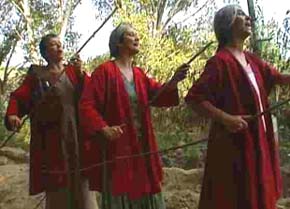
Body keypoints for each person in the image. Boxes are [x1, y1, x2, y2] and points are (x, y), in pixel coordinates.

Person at [185, 5, 290, 209]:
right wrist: (226, 118)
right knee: (237, 197)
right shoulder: (219, 62)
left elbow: (280, 78)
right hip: (234, 145)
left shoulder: (252, 59)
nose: (248, 17)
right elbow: (194, 98)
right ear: (228, 24)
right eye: (241, 15)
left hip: (257, 140)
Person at [79, 23, 189, 209]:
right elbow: (86, 105)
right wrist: (104, 129)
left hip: (142, 149)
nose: (137, 38)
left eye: (137, 35)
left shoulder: (139, 74)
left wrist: (173, 81)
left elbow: (157, 94)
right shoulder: (104, 72)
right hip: (118, 151)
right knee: (121, 193)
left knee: (147, 190)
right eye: (131, 35)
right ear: (118, 43)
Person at [5, 33, 98, 209]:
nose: (60, 47)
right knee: (58, 195)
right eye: (54, 45)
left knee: (85, 196)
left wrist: (81, 74)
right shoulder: (37, 75)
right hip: (52, 146)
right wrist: (13, 115)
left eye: (60, 44)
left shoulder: (73, 72)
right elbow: (18, 97)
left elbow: (91, 97)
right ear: (45, 53)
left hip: (77, 141)